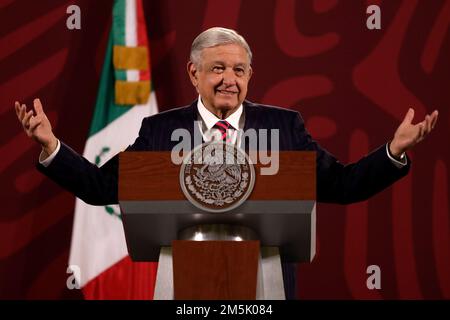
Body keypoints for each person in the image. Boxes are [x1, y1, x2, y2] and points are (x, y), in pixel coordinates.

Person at [15, 27, 438, 298]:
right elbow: (99, 188)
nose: (229, 80)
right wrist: (52, 145)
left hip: (266, 285)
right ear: (193, 72)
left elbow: (343, 186)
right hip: (182, 285)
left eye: (239, 70)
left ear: (251, 75)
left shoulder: (284, 126)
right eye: (217, 68)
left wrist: (393, 151)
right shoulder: (160, 131)